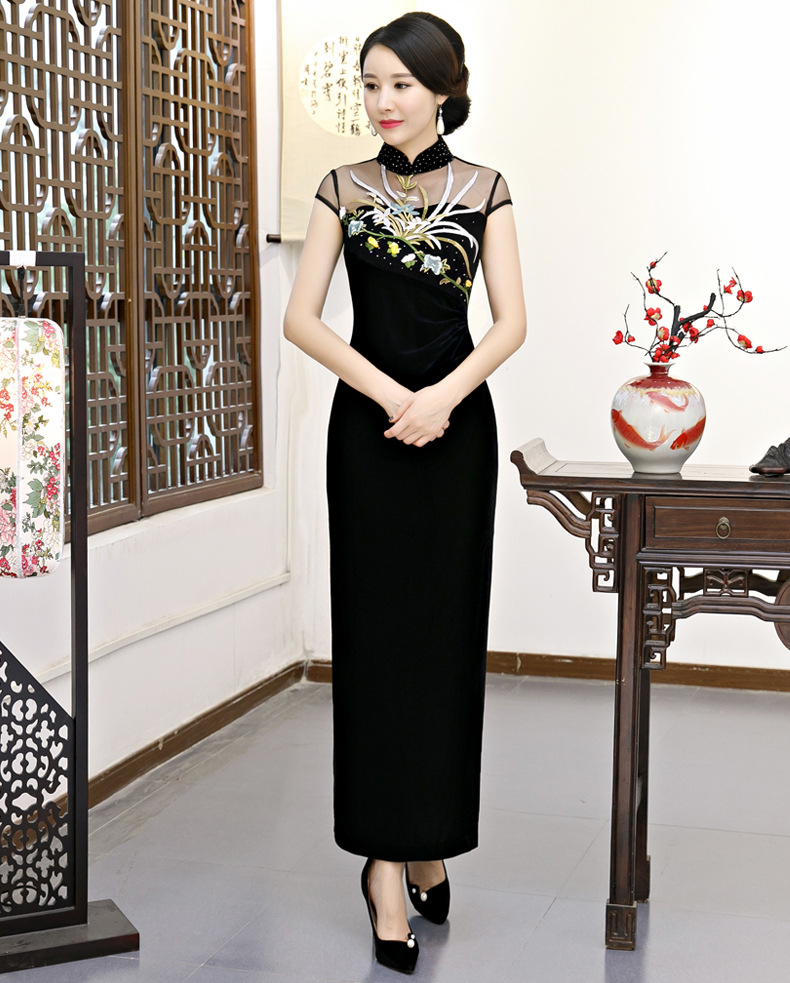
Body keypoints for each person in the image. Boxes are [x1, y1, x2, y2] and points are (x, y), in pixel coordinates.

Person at [284, 11, 526, 974]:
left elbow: (510, 323)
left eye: (401, 85)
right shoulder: (343, 188)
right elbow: (303, 319)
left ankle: (429, 838)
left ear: (443, 91)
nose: (382, 102)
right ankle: (385, 866)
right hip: (370, 436)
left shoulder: (486, 188)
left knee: (444, 641)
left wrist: (442, 399)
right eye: (371, 84)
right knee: (378, 644)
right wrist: (393, 396)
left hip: (457, 435)